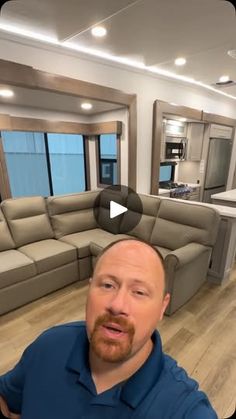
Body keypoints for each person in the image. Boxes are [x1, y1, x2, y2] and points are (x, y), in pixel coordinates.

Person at [0, 238, 218, 419]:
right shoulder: (48, 346)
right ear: (89, 290)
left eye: (139, 292)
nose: (117, 305)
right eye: (107, 285)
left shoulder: (184, 408)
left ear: (162, 307)